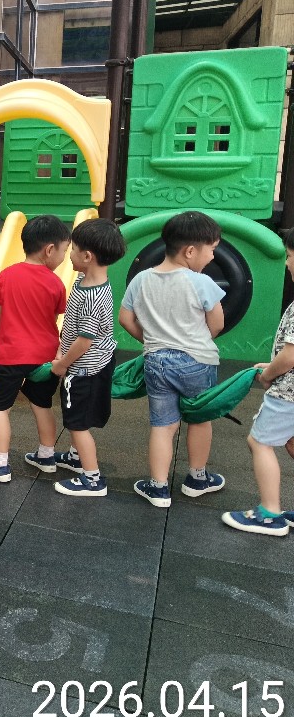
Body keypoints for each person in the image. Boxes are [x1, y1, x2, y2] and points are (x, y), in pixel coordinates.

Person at [120, 210, 226, 507]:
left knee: (163, 425)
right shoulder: (201, 282)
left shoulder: (141, 279)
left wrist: (151, 341)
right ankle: (197, 479)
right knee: (200, 420)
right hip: (197, 361)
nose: (213, 257)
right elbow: (217, 323)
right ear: (190, 251)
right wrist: (198, 341)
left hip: (157, 361)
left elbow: (125, 318)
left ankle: (158, 488)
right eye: (211, 250)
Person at [0, 214, 69, 482]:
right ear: (49, 250)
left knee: (1, 408)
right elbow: (53, 318)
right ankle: (46, 455)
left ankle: (0, 464)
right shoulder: (56, 283)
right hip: (45, 357)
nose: (64, 257)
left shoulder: (8, 275)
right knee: (42, 404)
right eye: (64, 251)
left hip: (11, 355)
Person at [222, 228, 294, 535]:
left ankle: (269, 514)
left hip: (289, 393)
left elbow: (291, 356)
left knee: (260, 442)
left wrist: (269, 374)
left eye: (289, 256)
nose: (287, 263)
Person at [49, 218, 126, 497]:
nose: (69, 254)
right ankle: (75, 457)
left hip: (84, 369)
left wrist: (62, 363)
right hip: (94, 364)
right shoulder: (87, 282)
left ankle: (92, 479)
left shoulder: (93, 297)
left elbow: (85, 340)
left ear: (87, 256)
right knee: (78, 416)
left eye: (73, 249)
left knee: (77, 423)